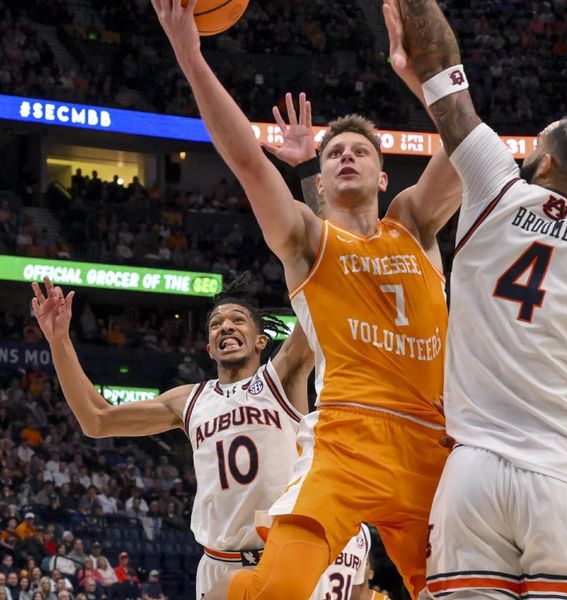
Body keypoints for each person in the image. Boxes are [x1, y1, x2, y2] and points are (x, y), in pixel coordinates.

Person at [151, 1, 465, 598]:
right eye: (333, 153)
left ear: (383, 177)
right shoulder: (308, 239)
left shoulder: (415, 224)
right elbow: (246, 160)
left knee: (462, 591)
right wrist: (192, 59)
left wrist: (423, 76)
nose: (346, 155)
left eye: (360, 152)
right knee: (279, 589)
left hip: (432, 443)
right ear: (319, 182)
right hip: (346, 438)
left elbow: (465, 139)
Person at [388, 0, 567, 597]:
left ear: (545, 162)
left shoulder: (498, 191)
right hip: (561, 474)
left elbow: (445, 74)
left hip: (473, 470)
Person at [31, 276, 311, 599]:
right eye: (216, 324)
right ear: (209, 348)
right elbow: (96, 420)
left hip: (284, 558)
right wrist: (59, 341)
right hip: (220, 566)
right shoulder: (190, 400)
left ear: (261, 340)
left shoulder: (282, 376)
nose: (226, 327)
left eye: (238, 320)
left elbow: (320, 303)